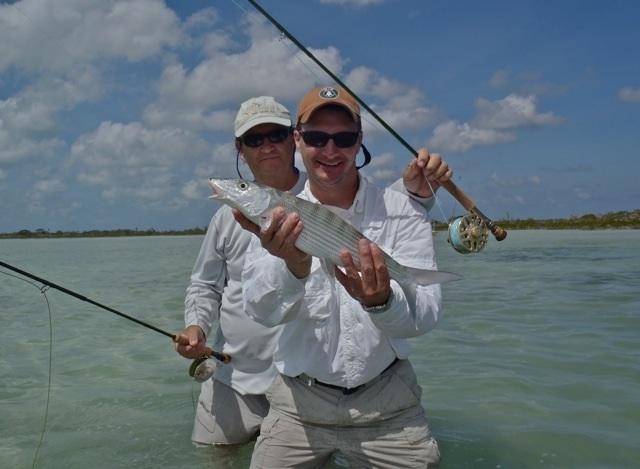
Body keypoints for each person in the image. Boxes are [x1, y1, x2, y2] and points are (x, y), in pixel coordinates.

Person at [175, 94, 452, 448]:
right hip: (237, 374)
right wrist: (196, 324)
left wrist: (417, 194)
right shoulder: (228, 217)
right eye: (254, 139)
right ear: (240, 148)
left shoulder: (319, 186)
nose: (268, 147)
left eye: (275, 135)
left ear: (291, 138)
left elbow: (363, 214)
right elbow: (205, 284)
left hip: (304, 377)